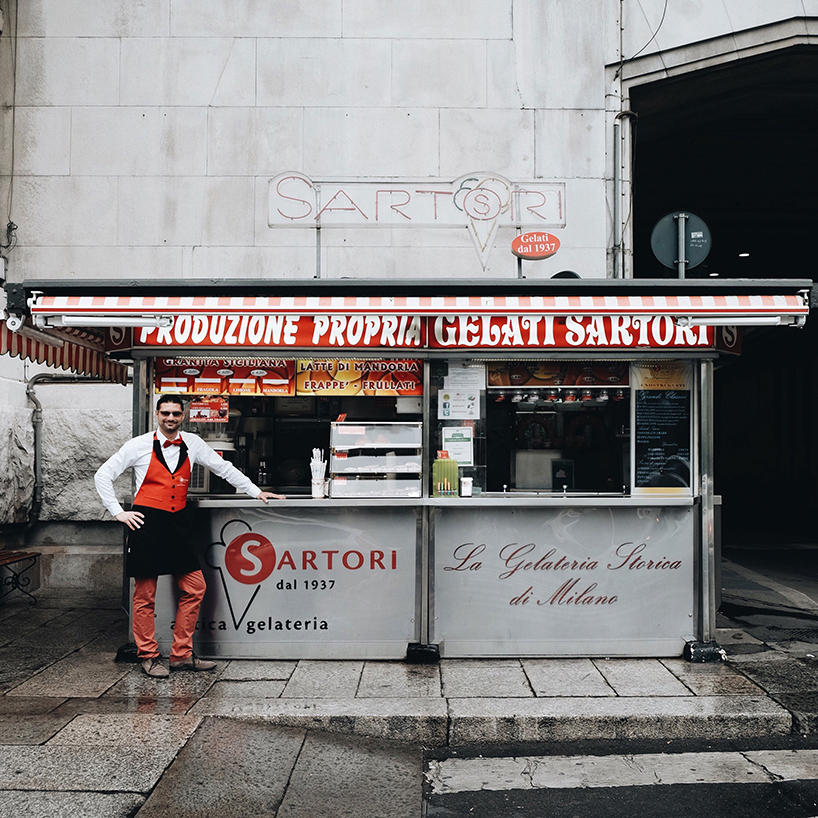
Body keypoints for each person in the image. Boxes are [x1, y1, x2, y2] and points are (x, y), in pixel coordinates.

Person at [94, 395, 284, 678]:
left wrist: (255, 491)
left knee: (195, 588)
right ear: (157, 415)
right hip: (147, 523)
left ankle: (181, 654)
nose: (170, 418)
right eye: (166, 413)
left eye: (176, 414)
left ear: (183, 416)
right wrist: (118, 512)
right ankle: (148, 655)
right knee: (145, 595)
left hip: (179, 524)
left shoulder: (193, 443)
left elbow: (224, 468)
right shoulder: (139, 444)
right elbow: (103, 474)